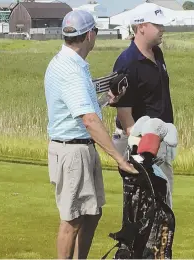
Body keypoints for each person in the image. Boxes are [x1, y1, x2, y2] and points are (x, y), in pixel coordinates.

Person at [44, 10, 137, 259]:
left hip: (77, 147)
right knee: (72, 219)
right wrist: (120, 160)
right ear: (89, 35)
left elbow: (81, 107)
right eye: (95, 31)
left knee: (92, 212)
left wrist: (107, 99)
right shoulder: (71, 70)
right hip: (73, 150)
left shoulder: (68, 63)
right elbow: (89, 120)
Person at [111, 3, 176, 194]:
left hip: (159, 140)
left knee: (163, 199)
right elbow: (124, 113)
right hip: (142, 144)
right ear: (141, 27)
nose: (162, 29)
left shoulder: (157, 53)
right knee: (146, 202)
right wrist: (141, 149)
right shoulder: (127, 62)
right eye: (157, 25)